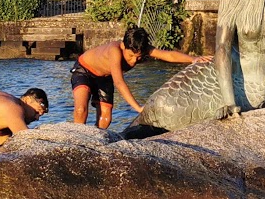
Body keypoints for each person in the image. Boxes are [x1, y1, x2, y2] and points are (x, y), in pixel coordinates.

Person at [70, 24, 198, 130]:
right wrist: (138, 107)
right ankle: (77, 138)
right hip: (84, 70)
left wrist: (193, 59)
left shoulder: (141, 48)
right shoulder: (114, 51)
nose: (133, 61)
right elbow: (119, 83)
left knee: (106, 118)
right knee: (81, 109)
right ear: (124, 46)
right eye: (131, 56)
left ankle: (96, 140)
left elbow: (168, 56)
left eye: (139, 57)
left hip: (105, 77)